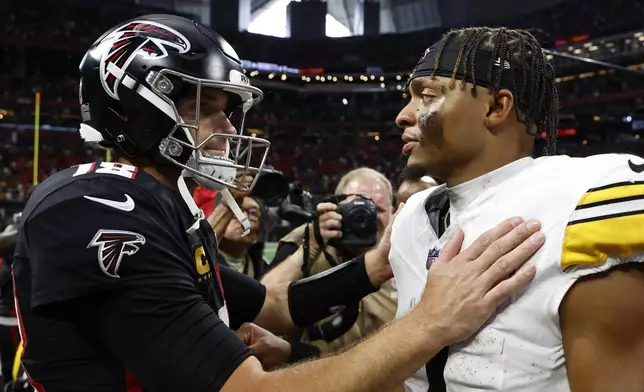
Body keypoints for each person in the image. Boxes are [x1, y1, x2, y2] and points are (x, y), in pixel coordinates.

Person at [13, 16, 543, 392]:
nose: (227, 128)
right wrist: (429, 323)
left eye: (227, 110)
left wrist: (375, 266)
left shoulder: (166, 203)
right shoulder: (97, 203)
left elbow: (271, 307)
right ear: (131, 105)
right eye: (206, 106)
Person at [392, 26, 644, 392]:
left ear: (496, 107)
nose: (403, 115)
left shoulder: (585, 198)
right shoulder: (412, 218)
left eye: (426, 96)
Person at [262, 168, 398, 358]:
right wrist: (310, 246)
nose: (367, 217)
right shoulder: (308, 239)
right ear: (337, 208)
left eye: (379, 209)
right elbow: (260, 308)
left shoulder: (404, 256)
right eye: (357, 208)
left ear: (393, 213)